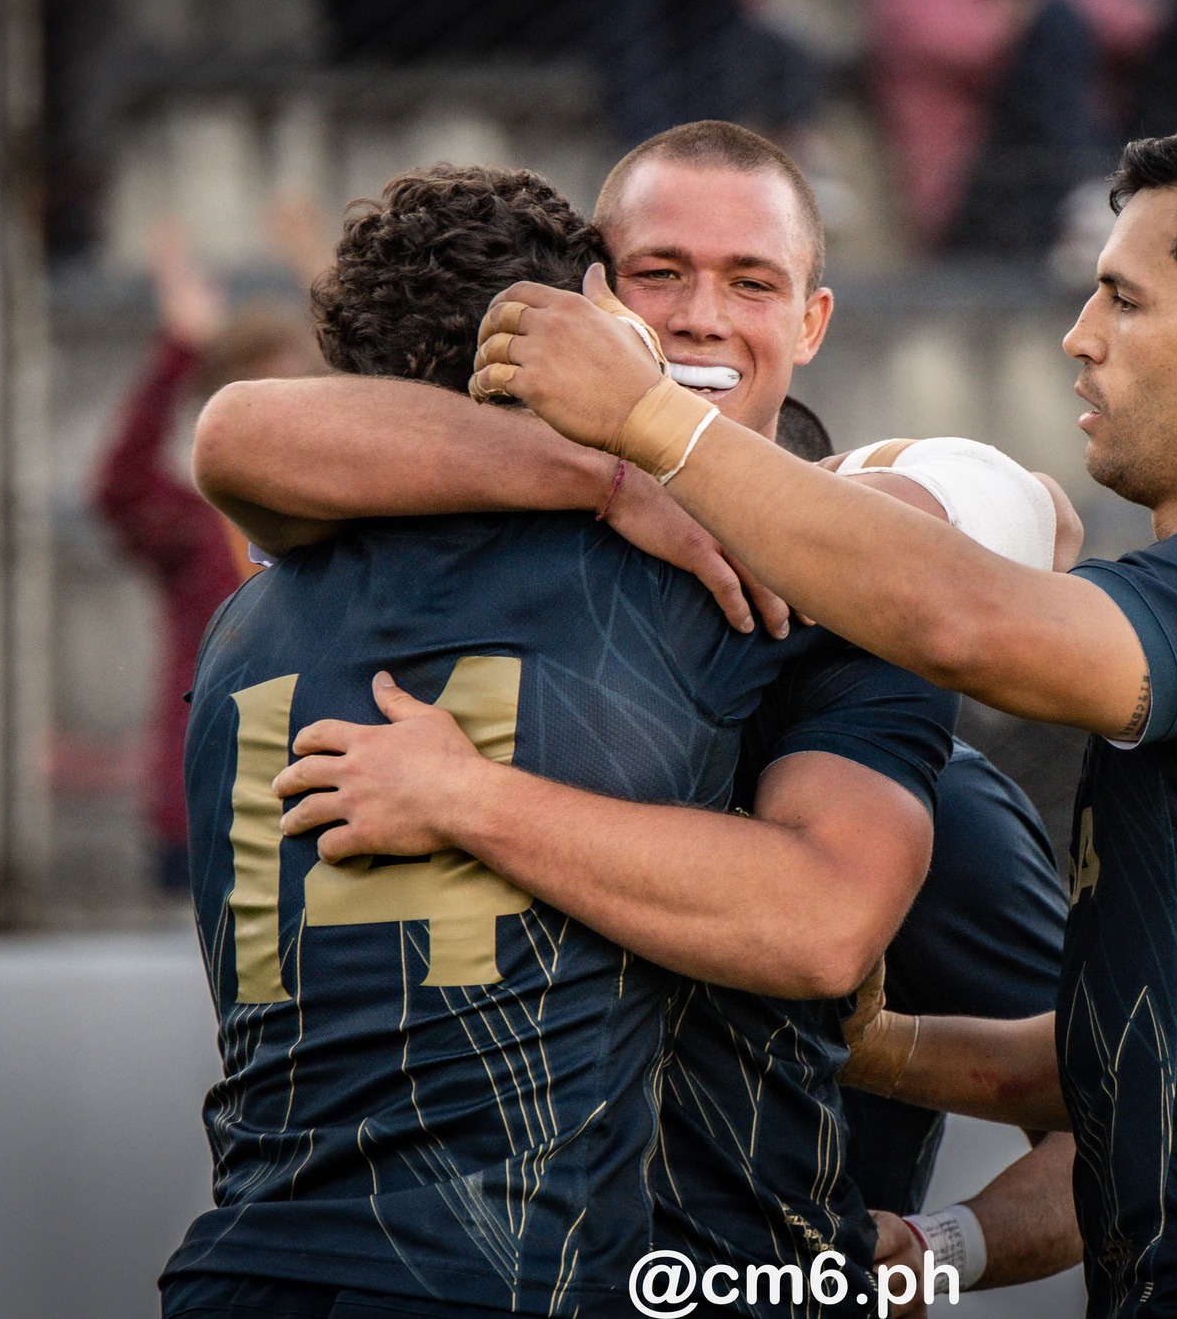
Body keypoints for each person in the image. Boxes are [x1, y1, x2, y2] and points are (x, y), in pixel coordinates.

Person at [474, 130, 1177, 1318]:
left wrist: (645, 424)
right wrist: (899, 1119)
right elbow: (1145, 1064)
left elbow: (960, 617)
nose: (1077, 336)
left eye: (1121, 299)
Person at [192, 123, 1088, 1311]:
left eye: (750, 281)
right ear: (585, 312)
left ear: (813, 322)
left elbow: (1116, 1105)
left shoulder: (266, 614)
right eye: (658, 274)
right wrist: (617, 475)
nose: (698, 315)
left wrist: (934, 1248)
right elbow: (242, 435)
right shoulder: (365, 545)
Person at [90, 225, 321, 894]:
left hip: (313, 798)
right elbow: (118, 486)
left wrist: (324, 282)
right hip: (210, 804)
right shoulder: (193, 524)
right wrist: (180, 347)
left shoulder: (342, 516)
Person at [866, 0, 1166, 258]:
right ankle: (1091, 197)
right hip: (971, 206)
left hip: (1043, 190)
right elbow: (987, 45)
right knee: (1055, 28)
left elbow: (1143, 26)